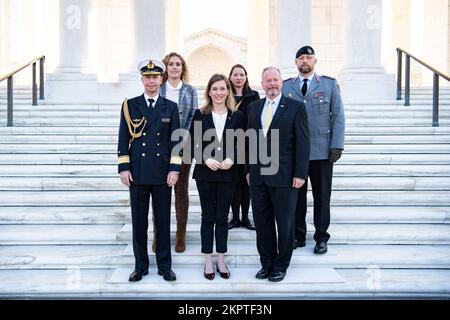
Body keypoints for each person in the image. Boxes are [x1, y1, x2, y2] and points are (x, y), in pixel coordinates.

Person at [117, 59, 181, 282]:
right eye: (147, 77)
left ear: (161, 79)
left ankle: (165, 266)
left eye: (155, 77)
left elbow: (176, 141)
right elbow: (123, 138)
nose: (151, 81)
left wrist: (175, 169)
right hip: (138, 172)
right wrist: (123, 168)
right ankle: (140, 266)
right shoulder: (130, 105)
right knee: (139, 222)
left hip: (163, 173)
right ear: (142, 79)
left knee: (162, 221)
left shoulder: (170, 107)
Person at [246, 67, 309, 282]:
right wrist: (248, 170)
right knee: (262, 222)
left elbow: (303, 143)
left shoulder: (295, 107)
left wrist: (300, 174)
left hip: (285, 176)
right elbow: (249, 142)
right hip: (258, 176)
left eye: (275, 80)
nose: (271, 84)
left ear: (281, 82)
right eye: (267, 81)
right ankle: (267, 263)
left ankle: (281, 265)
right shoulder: (254, 108)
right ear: (262, 84)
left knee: (284, 222)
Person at [282, 46, 345, 255]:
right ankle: (298, 235)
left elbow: (337, 115)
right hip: (295, 153)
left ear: (315, 61)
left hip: (321, 151)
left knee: (322, 196)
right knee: (296, 197)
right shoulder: (286, 87)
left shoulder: (328, 84)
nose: (304, 60)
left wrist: (336, 144)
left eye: (308, 57)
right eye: (300, 57)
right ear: (296, 62)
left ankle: (321, 237)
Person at [189, 74, 243, 280]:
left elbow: (243, 144)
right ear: (209, 92)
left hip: (228, 173)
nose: (219, 93)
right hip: (205, 173)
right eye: (215, 89)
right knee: (207, 216)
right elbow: (193, 143)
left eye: (222, 88)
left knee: (222, 217)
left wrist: (233, 158)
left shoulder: (236, 116)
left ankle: (221, 259)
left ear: (228, 91)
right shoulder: (199, 114)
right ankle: (208, 261)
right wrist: (204, 159)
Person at [153, 52, 198, 254]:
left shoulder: (190, 90)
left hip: (184, 145)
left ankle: (181, 236)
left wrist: (181, 141)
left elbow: (193, 117)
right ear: (165, 68)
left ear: (182, 68)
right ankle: (158, 235)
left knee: (181, 192)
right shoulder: (158, 89)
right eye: (170, 64)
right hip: (159, 148)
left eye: (178, 64)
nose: (174, 67)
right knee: (160, 192)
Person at [227, 64, 260, 231]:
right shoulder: (225, 94)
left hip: (248, 144)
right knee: (233, 182)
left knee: (246, 181)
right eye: (235, 74)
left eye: (242, 74)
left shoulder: (254, 95)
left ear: (246, 77)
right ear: (230, 77)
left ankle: (246, 217)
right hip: (229, 145)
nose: (238, 77)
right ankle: (234, 218)